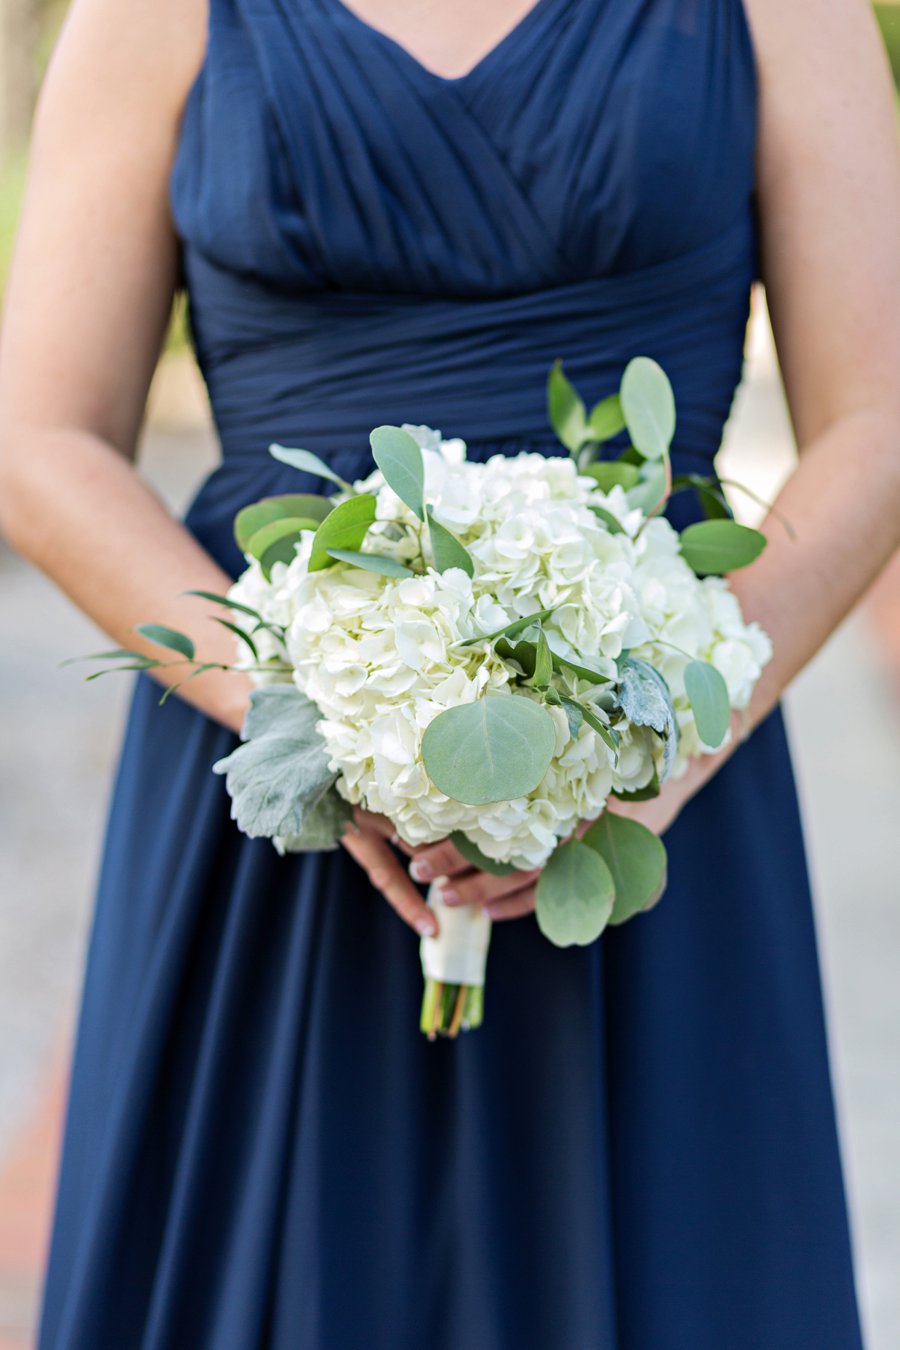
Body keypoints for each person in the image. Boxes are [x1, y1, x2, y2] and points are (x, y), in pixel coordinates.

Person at [1, 0, 898, 1345]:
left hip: (657, 799)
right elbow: (40, 435)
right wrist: (318, 718)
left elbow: (881, 412)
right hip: (275, 819)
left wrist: (651, 746)